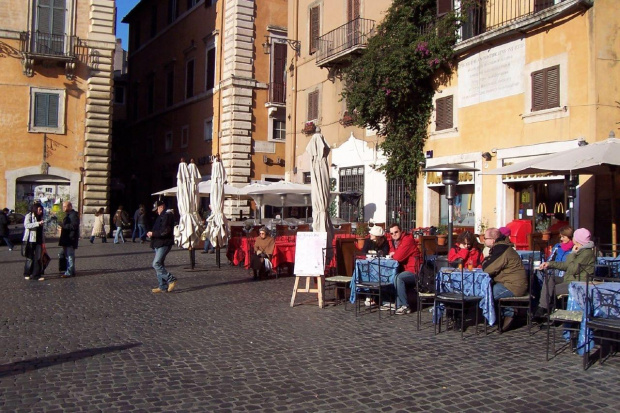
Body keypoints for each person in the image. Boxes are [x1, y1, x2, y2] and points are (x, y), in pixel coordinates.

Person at [535, 228, 595, 318]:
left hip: (578, 283)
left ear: (578, 239)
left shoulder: (586, 253)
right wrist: (549, 264)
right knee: (549, 278)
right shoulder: (580, 250)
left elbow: (572, 269)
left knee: (551, 289)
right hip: (570, 279)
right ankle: (543, 308)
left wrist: (572, 254)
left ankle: (551, 314)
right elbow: (566, 265)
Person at [481, 228, 528, 331]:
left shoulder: (501, 249)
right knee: (487, 290)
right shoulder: (501, 247)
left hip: (513, 286)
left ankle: (503, 315)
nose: (484, 240)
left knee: (486, 295)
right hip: (508, 283)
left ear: (493, 239)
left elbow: (488, 268)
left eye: (485, 238)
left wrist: (485, 262)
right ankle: (507, 313)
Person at [384, 223, 422, 314]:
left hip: (414, 271)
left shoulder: (407, 240)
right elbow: (392, 252)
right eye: (392, 233)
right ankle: (392, 302)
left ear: (401, 231)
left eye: (396, 232)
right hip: (404, 269)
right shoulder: (395, 241)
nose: (394, 235)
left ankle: (405, 306)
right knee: (387, 275)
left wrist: (393, 254)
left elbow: (397, 257)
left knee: (398, 278)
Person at [147, 200, 177, 293]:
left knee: (156, 264)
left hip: (164, 242)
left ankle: (171, 279)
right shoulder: (162, 215)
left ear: (162, 207)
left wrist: (153, 233)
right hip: (158, 242)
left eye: (158, 209)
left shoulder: (167, 215)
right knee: (160, 264)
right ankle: (162, 286)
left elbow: (165, 231)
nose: (157, 211)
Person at [23, 202, 46, 281]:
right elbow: (26, 225)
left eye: (41, 210)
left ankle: (36, 274)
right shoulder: (29, 215)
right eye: (39, 210)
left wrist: (43, 242)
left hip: (39, 240)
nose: (41, 211)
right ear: (35, 209)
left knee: (38, 257)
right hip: (30, 240)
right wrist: (37, 223)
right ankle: (27, 273)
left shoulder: (41, 217)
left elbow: (42, 231)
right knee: (30, 257)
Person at [58, 201, 80, 278]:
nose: (63, 208)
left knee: (70, 256)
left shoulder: (73, 215)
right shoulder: (67, 215)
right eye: (63, 206)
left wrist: (63, 225)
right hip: (66, 239)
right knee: (65, 255)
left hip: (70, 239)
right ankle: (70, 270)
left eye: (65, 206)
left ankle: (69, 272)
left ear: (70, 206)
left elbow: (73, 226)